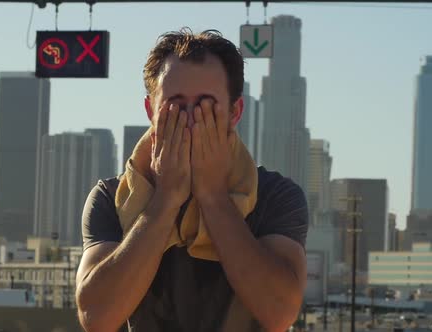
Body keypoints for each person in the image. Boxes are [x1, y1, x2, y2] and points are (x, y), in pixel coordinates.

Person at [75, 29, 308, 332]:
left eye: (205, 105)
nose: (189, 118)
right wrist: (165, 200)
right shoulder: (111, 197)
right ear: (151, 110)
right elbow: (96, 316)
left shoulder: (276, 196)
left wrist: (213, 197)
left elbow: (279, 313)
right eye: (175, 105)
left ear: (235, 111)